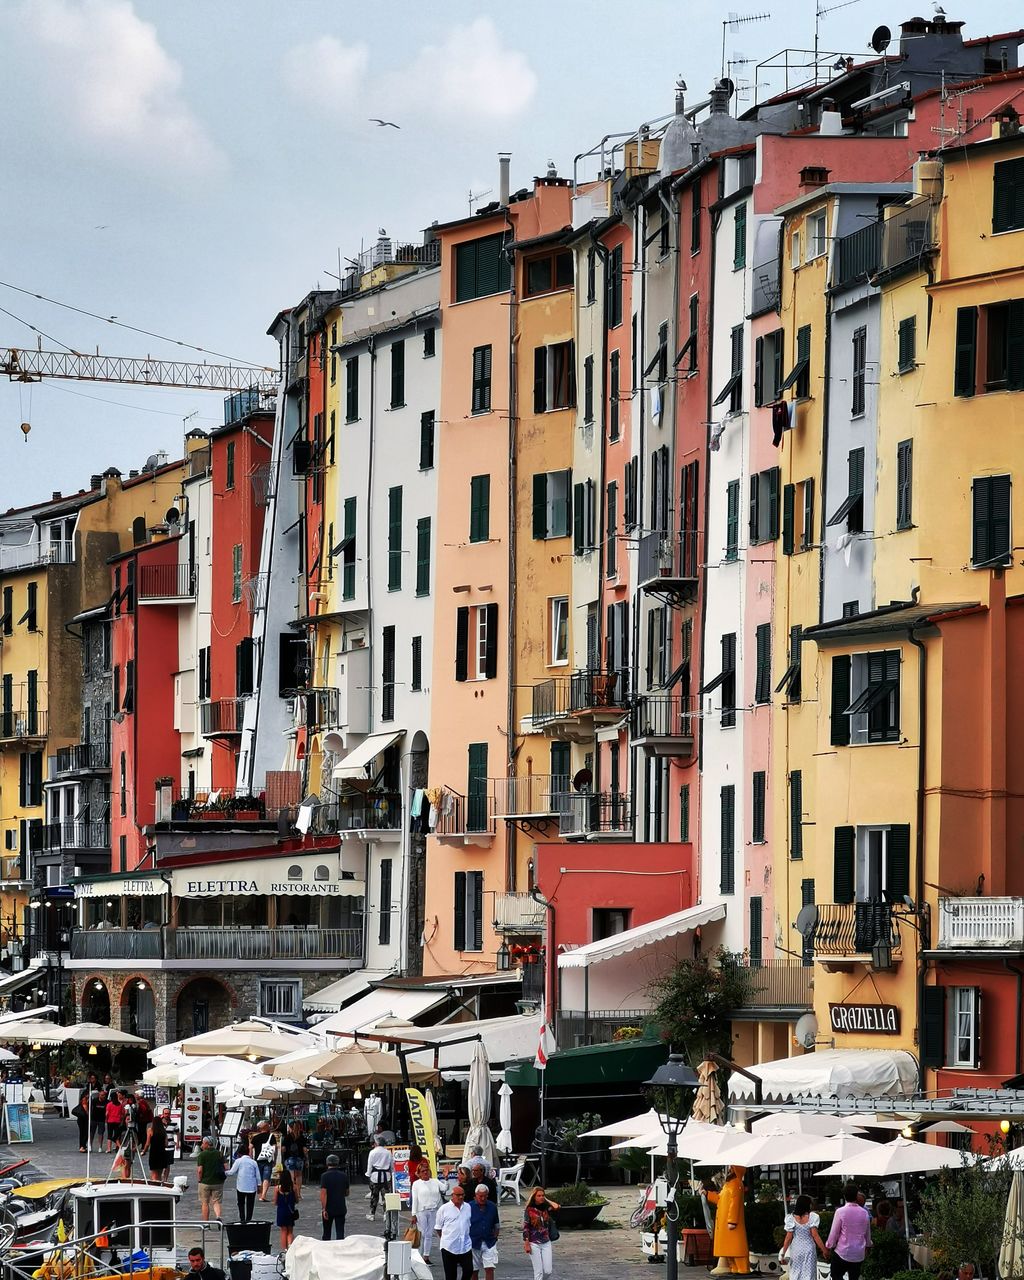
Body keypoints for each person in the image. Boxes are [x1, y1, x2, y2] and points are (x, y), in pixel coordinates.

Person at [825, 1183, 873, 1280]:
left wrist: (829, 1246)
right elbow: (867, 1232)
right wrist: (868, 1246)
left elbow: (834, 1233)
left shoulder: (840, 1212)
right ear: (856, 1196)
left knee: (836, 1275)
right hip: (859, 1253)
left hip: (843, 1251)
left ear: (844, 1196)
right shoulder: (864, 1213)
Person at [711, 1167, 749, 1274]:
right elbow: (720, 1199)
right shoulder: (729, 1184)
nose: (729, 1171)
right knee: (730, 1249)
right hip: (725, 1223)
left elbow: (735, 1203)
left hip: (730, 1224)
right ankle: (735, 1268)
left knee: (736, 1248)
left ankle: (742, 1268)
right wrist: (708, 1194)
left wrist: (732, 1221)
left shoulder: (736, 1184)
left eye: (732, 1169)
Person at [780, 1194, 826, 1280]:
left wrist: (783, 1254)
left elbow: (788, 1238)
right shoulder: (812, 1217)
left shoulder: (791, 1218)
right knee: (809, 1274)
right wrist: (824, 1250)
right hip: (809, 1249)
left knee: (796, 1273)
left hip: (796, 1250)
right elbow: (815, 1235)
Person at [411, 1159, 446, 1265]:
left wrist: (445, 1178)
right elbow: (415, 1200)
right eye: (423, 1171)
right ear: (419, 1173)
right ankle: (419, 1256)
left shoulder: (435, 1181)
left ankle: (426, 1256)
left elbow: (444, 1188)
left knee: (429, 1234)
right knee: (422, 1234)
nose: (425, 1172)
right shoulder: (416, 1184)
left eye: (427, 1170)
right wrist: (413, 1214)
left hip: (434, 1211)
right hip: (421, 1211)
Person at [436, 1184, 473, 1280]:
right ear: (452, 1195)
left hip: (465, 1246)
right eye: (458, 1195)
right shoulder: (444, 1209)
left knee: (469, 1270)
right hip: (449, 1247)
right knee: (451, 1275)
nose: (460, 1197)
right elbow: (438, 1228)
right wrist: (446, 1238)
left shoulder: (468, 1207)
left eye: (462, 1195)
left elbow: (469, 1223)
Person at [522, 1187, 560, 1280]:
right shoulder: (529, 1210)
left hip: (546, 1241)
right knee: (538, 1272)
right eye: (539, 1196)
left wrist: (546, 1199)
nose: (541, 1197)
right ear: (534, 1197)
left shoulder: (546, 1208)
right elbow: (526, 1227)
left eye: (543, 1195)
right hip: (534, 1242)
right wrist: (526, 1242)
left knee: (548, 1271)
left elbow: (557, 1207)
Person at [470, 1184, 500, 1280]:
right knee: (474, 1270)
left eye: (485, 1196)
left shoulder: (492, 1206)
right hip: (473, 1242)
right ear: (475, 1195)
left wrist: (495, 1237)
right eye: (480, 1196)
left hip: (489, 1242)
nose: (483, 1198)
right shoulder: (469, 1207)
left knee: (490, 1268)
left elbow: (496, 1224)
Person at [320, 1152, 350, 1240]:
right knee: (340, 1232)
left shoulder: (324, 1176)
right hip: (340, 1206)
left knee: (326, 1232)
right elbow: (347, 1192)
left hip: (329, 1207)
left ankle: (326, 1250)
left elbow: (323, 1193)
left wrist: (324, 1208)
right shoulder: (344, 1176)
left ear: (327, 1163)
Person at [196, 1136, 226, 1223]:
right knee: (217, 1201)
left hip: (205, 1182)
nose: (201, 1145)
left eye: (202, 1143)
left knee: (205, 1202)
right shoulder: (219, 1153)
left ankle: (206, 1223)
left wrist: (199, 1179)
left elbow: (200, 1170)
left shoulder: (202, 1155)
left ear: (206, 1143)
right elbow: (226, 1167)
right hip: (218, 1182)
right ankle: (218, 1216)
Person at [227, 1146, 261, 1224]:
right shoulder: (253, 1162)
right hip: (251, 1186)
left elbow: (232, 1172)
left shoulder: (238, 1161)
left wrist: (224, 1172)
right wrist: (259, 1185)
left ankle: (242, 1219)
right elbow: (258, 1175)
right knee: (250, 1204)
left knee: (241, 1203)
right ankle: (248, 1219)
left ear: (239, 1154)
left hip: (241, 1186)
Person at [366, 1135, 394, 1220]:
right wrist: (392, 1173)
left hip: (375, 1176)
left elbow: (370, 1165)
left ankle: (372, 1214)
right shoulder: (388, 1152)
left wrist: (368, 1174)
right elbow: (391, 1166)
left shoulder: (372, 1152)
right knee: (386, 1196)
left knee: (374, 1196)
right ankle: (386, 1214)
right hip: (386, 1177)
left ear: (377, 1143)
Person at [143, 1112, 171, 1186]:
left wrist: (144, 1151)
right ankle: (159, 1186)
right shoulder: (163, 1131)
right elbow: (166, 1144)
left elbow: (147, 1143)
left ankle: (154, 1187)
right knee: (159, 1173)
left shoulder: (150, 1130)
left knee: (154, 1173)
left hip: (154, 1153)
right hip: (162, 1153)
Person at [274, 1167, 298, 1251]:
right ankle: (290, 1246)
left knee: (283, 1231)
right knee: (290, 1231)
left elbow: (275, 1202)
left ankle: (284, 1249)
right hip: (290, 1211)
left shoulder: (277, 1188)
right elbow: (297, 1200)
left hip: (281, 1211)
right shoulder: (293, 1188)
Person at [283, 1120, 308, 1201]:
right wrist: (307, 1159)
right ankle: (299, 1194)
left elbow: (283, 1149)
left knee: (291, 1177)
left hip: (289, 1158)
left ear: (290, 1127)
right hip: (299, 1158)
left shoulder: (287, 1137)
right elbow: (305, 1149)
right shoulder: (301, 1137)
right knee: (299, 1177)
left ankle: (291, 1193)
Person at [255, 1125, 277, 1203]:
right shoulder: (271, 1136)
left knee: (260, 1177)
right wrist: (275, 1158)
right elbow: (275, 1148)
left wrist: (251, 1158)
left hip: (258, 1160)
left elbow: (250, 1147)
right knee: (266, 1178)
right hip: (268, 1160)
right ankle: (263, 1195)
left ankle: (261, 1194)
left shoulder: (256, 1137)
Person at [105, 1089, 124, 1154]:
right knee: (117, 1135)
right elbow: (122, 1114)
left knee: (109, 1135)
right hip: (117, 1121)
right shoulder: (120, 1105)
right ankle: (117, 1147)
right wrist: (121, 1120)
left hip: (110, 1121)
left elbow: (107, 1113)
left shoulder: (109, 1104)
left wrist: (106, 1119)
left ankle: (109, 1149)